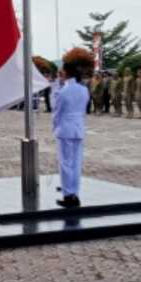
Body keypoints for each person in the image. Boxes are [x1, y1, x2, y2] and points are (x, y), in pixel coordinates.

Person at [53, 61, 90, 208]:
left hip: (65, 129)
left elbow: (56, 113)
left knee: (66, 164)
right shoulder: (84, 90)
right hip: (78, 127)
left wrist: (55, 128)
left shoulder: (63, 92)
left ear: (66, 73)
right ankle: (75, 193)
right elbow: (83, 109)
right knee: (76, 163)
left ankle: (68, 195)